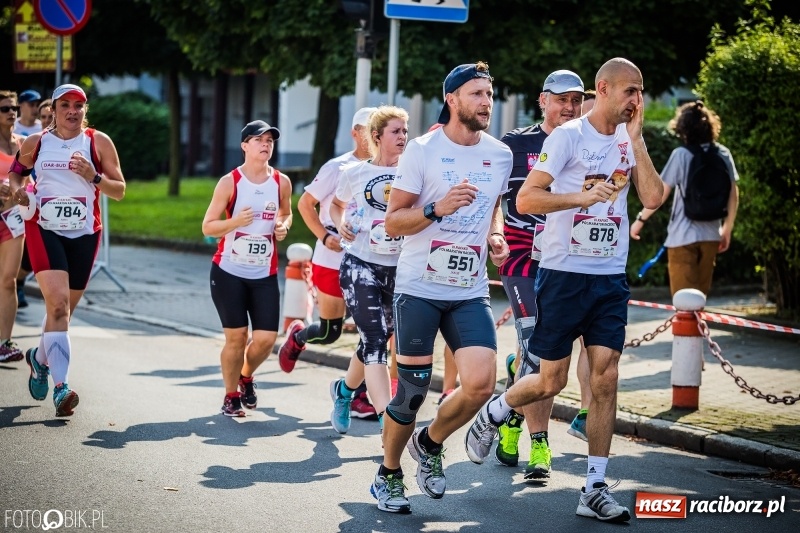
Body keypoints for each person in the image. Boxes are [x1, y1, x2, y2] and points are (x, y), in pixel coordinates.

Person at [465, 58, 664, 523]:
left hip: (610, 276)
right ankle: (496, 410)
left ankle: (593, 487)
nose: (636, 100)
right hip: (562, 273)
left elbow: (653, 198)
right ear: (604, 89)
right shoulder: (567, 137)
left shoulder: (627, 139)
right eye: (630, 91)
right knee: (549, 379)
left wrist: (635, 141)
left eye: (640, 91)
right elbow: (526, 199)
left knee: (605, 375)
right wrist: (580, 198)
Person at [370, 61, 512, 514]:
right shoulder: (422, 151)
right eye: (476, 94)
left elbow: (493, 207)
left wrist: (495, 234)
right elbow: (394, 221)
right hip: (419, 287)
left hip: (468, 288)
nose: (486, 102)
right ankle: (388, 475)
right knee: (411, 391)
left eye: (489, 95)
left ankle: (429, 444)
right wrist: (437, 209)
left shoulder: (499, 154)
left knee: (479, 384)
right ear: (452, 99)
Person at [492, 70, 591, 481]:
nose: (569, 108)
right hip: (522, 260)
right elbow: (491, 198)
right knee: (536, 345)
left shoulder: (591, 144)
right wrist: (495, 232)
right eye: (560, 99)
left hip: (568, 260)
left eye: (576, 100)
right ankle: (540, 444)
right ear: (543, 101)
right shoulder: (514, 145)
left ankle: (512, 415)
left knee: (545, 354)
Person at [9, 84, 126, 417]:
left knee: (64, 313)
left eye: (79, 105)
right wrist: (20, 195)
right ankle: (61, 388)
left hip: (85, 233)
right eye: (65, 106)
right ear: (55, 109)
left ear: (84, 109)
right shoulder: (37, 143)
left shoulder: (97, 142)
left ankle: (39, 358)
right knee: (57, 305)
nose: (72, 111)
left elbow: (119, 190)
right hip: (44, 229)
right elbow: (15, 176)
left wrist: (95, 176)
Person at [278, 107, 377, 419]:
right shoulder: (339, 166)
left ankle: (359, 394)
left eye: (378, 128)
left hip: (371, 259)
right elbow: (306, 203)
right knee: (330, 332)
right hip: (332, 256)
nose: (373, 136)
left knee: (372, 331)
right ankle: (298, 336)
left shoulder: (389, 167)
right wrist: (323, 236)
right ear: (355, 133)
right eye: (367, 129)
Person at [202, 120, 292, 417]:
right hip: (228, 272)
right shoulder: (231, 182)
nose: (266, 144)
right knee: (237, 337)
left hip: (263, 273)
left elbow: (287, 213)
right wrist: (234, 223)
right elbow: (208, 226)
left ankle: (246, 376)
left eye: (270, 140)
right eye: (258, 139)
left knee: (266, 339)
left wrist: (282, 225)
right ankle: (230, 396)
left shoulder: (281, 182)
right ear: (244, 146)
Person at [327, 105, 408, 433]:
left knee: (375, 337)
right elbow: (335, 206)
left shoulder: (413, 172)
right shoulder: (356, 173)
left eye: (405, 131)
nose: (403, 137)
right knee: (375, 341)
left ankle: (344, 392)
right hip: (360, 264)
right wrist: (340, 223)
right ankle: (387, 423)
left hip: (398, 269)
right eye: (396, 131)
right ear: (376, 137)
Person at [630, 100, 738, 297]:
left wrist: (640, 220)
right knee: (700, 301)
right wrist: (727, 228)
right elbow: (733, 193)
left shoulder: (681, 155)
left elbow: (660, 193)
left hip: (682, 236)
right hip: (712, 235)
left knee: (684, 304)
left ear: (683, 129)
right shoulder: (723, 153)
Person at [0, 90, 26, 362]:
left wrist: (20, 189)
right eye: (5, 108)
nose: (11, 112)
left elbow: (30, 179)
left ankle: (4, 342)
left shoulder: (23, 145)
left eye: (14, 107)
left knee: (8, 280)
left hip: (12, 219)